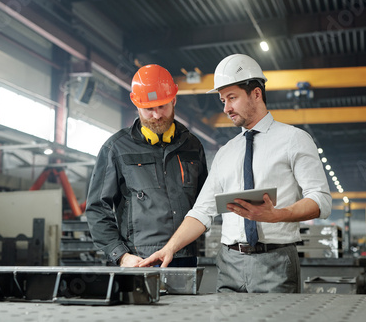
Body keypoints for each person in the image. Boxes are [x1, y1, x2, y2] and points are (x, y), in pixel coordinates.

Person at [140, 54, 332, 293]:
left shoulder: (294, 140)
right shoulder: (226, 153)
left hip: (276, 260)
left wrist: (277, 214)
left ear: (256, 94)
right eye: (223, 100)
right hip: (229, 263)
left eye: (232, 98)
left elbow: (321, 200)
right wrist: (170, 248)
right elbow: (202, 211)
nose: (226, 108)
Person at [85, 64, 208, 267]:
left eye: (163, 106)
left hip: (185, 256)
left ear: (174, 99)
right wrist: (121, 255)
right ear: (136, 104)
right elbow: (97, 208)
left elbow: (205, 203)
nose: (157, 115)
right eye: (149, 109)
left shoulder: (192, 145)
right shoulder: (116, 148)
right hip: (140, 261)